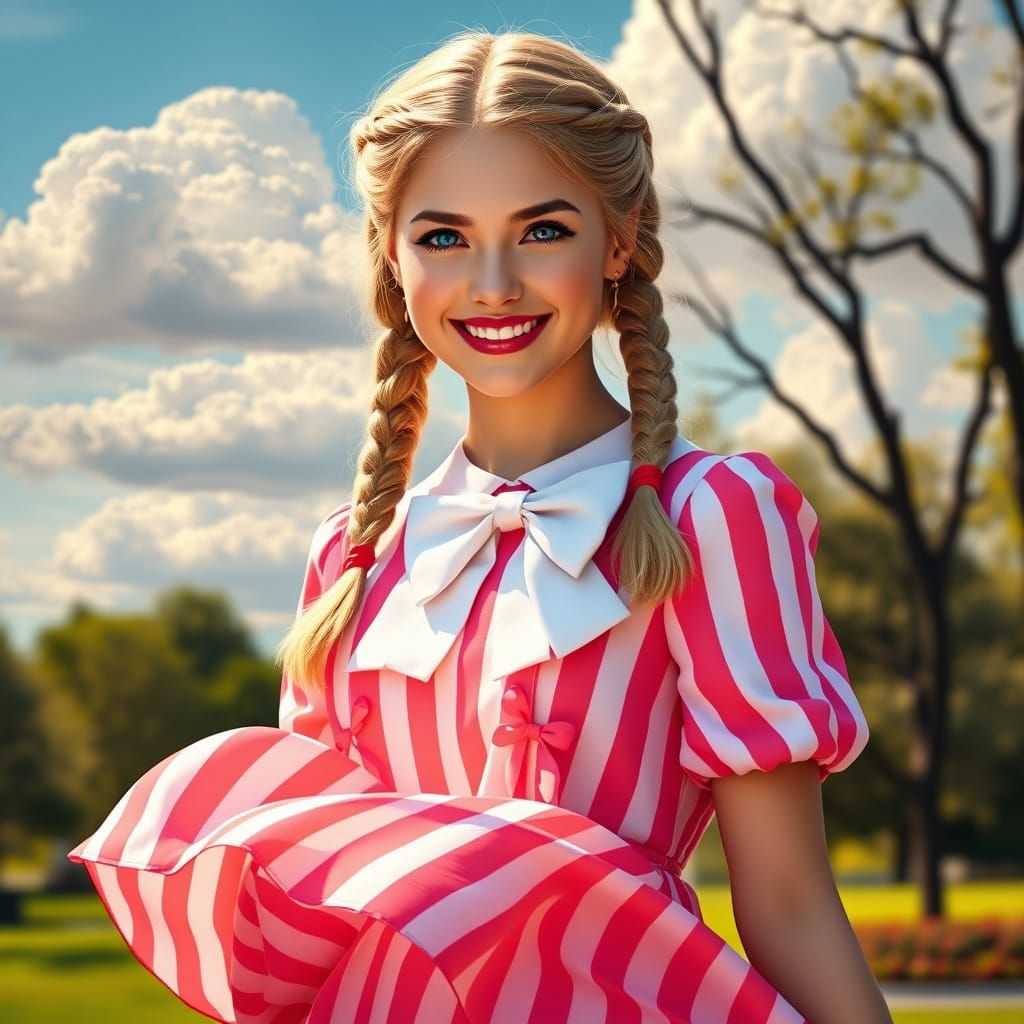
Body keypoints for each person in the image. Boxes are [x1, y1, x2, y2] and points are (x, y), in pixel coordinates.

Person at [67, 29, 893, 1024]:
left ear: (618, 240)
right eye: (444, 236)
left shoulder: (708, 516)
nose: (492, 283)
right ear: (392, 253)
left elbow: (792, 906)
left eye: (542, 230)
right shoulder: (350, 557)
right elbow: (322, 906)